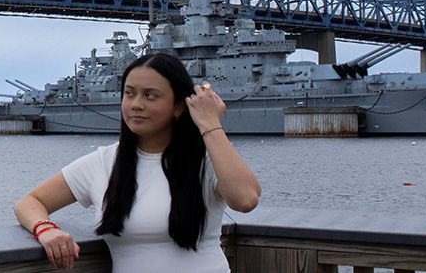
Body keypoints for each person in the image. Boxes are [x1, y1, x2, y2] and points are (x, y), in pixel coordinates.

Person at [13, 52, 260, 271]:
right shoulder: (103, 162)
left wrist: (210, 123)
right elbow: (29, 202)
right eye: (129, 94)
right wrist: (46, 229)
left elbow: (246, 199)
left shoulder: (207, 160)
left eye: (150, 95)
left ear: (178, 106)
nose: (136, 105)